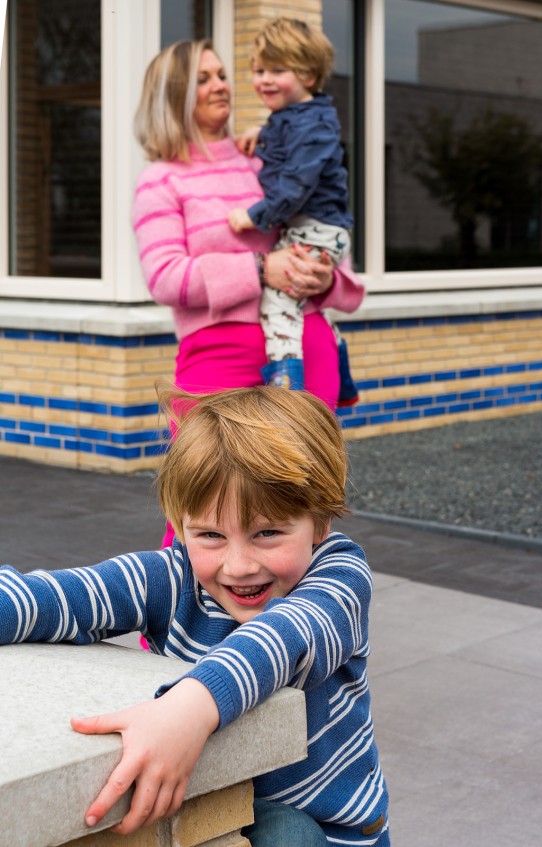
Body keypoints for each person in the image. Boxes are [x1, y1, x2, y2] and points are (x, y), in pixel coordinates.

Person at [0, 386, 390, 846]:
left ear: (320, 523)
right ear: (181, 526)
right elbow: (59, 598)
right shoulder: (172, 576)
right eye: (210, 535)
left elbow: (286, 637)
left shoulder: (339, 576)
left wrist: (189, 708)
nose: (238, 566)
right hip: (221, 798)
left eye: (267, 533)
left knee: (289, 831)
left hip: (332, 831)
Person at [132, 38, 363, 408]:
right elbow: (165, 278)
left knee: (309, 452)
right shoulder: (160, 180)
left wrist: (326, 279)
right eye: (203, 79)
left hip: (307, 355)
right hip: (218, 361)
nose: (221, 85)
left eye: (222, 75)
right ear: (173, 96)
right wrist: (261, 268)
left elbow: (329, 242)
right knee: (207, 451)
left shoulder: (268, 164)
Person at [228, 17, 359, 403]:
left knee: (280, 301)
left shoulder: (314, 127)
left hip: (317, 227)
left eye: (277, 71)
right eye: (259, 71)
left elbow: (297, 184)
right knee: (308, 304)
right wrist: (259, 133)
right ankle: (343, 377)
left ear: (308, 75)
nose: (264, 80)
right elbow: (285, 134)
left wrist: (254, 216)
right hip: (316, 226)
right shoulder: (297, 116)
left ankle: (286, 390)